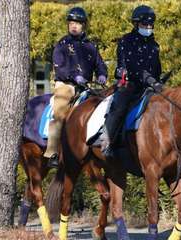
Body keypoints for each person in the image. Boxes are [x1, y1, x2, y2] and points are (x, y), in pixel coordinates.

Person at [44, 6, 108, 168]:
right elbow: (59, 67)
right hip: (66, 85)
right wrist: (74, 76)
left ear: (83, 25)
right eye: (71, 23)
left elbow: (100, 64)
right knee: (59, 112)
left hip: (86, 87)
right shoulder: (62, 44)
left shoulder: (91, 46)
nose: (74, 26)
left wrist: (102, 74)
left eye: (78, 23)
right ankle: (52, 152)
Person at [100, 5, 163, 157]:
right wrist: (151, 80)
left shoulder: (154, 45)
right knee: (120, 105)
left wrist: (158, 80)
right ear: (136, 24)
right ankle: (106, 140)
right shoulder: (126, 41)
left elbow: (157, 67)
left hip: (149, 85)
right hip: (130, 83)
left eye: (150, 25)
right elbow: (133, 66)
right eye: (144, 24)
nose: (148, 28)